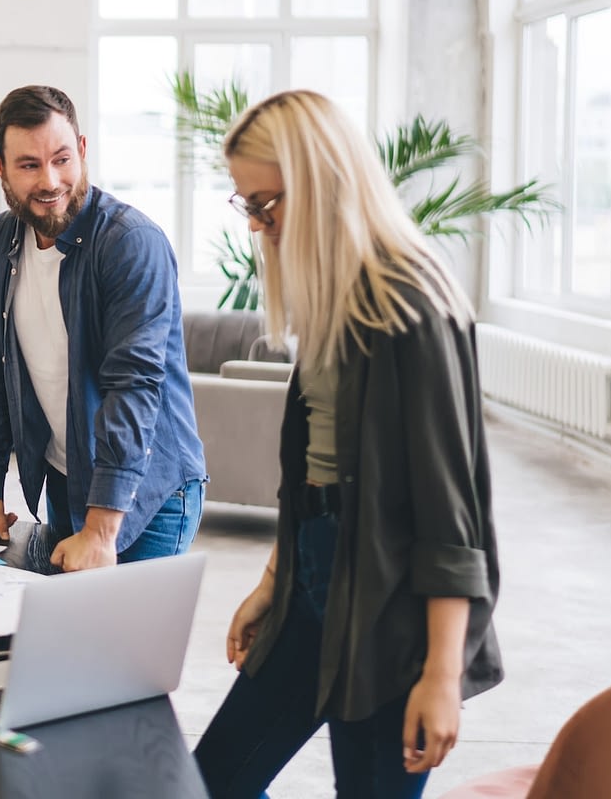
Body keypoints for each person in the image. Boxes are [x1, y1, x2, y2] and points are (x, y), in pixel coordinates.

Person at [193, 89, 502, 798]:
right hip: (314, 581)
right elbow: (313, 472)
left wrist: (441, 675)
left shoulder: (410, 305)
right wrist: (276, 582)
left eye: (267, 204)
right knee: (210, 782)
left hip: (389, 614)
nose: (257, 226)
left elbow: (449, 519)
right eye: (246, 206)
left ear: (321, 183)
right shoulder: (331, 292)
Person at [0, 85, 206, 570]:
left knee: (125, 643)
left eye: (61, 159)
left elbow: (134, 387)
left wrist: (99, 530)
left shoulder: (131, 244)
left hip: (146, 486)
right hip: (65, 474)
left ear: (81, 148)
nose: (50, 180)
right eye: (29, 165)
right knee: (68, 635)